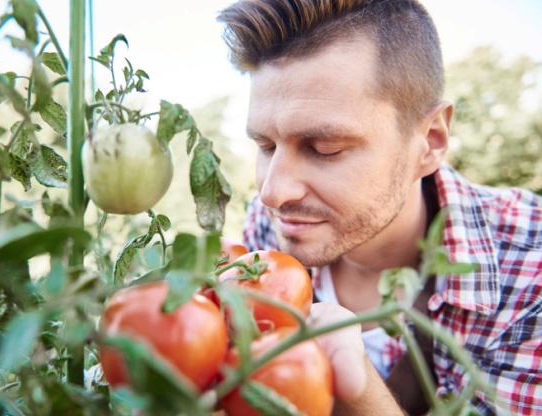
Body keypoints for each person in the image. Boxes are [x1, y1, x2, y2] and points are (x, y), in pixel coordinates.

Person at [217, 0, 542, 415]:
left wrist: (361, 394)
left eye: (325, 149)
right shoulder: (268, 227)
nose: (273, 193)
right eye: (265, 146)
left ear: (431, 141)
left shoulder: (531, 270)